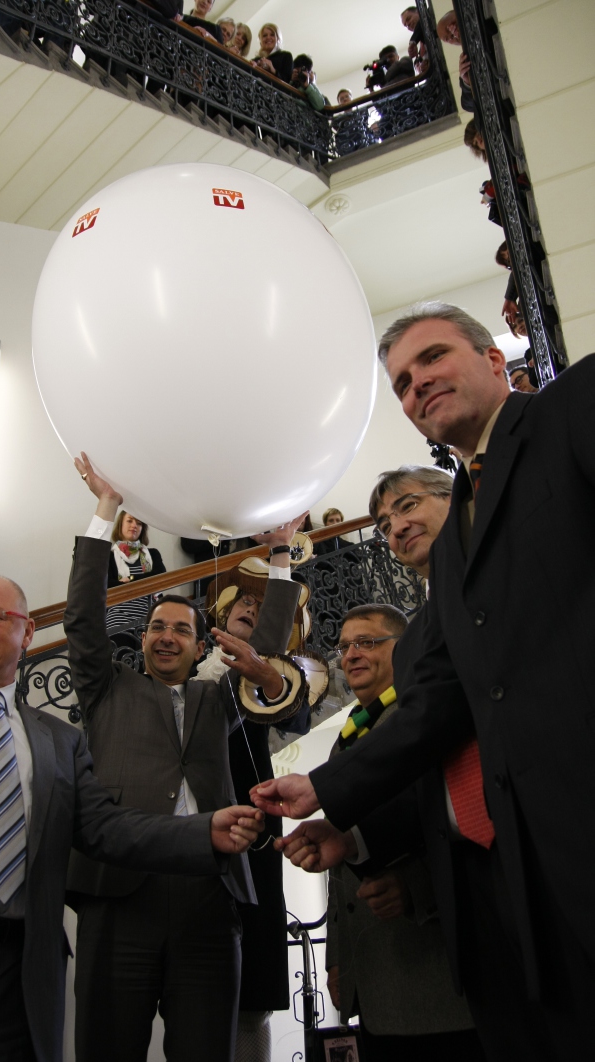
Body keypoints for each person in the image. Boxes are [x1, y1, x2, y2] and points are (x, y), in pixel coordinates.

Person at [251, 302, 595, 1059]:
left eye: (433, 359)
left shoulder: (572, 411)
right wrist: (326, 791)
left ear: (495, 360)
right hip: (527, 889)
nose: (418, 386)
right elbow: (436, 701)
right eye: (403, 384)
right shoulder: (453, 555)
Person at [0, 573, 264, 1062]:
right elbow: (85, 623)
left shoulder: (56, 739)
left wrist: (201, 831)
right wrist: (102, 516)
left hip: (20, 971)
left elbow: (103, 826)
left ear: (27, 634)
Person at [66, 452, 307, 1062]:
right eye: (156, 627)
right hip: (121, 894)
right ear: (142, 640)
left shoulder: (214, 698)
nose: (167, 636)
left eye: (181, 629)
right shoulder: (105, 688)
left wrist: (280, 554)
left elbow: (268, 656)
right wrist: (104, 511)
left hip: (208, 896)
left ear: (202, 646)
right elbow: (82, 620)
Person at [325, 603, 481, 1061]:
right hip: (372, 986)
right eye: (345, 646)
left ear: (405, 648)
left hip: (434, 979)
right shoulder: (348, 737)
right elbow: (341, 871)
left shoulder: (428, 722)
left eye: (367, 642)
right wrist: (340, 960)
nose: (351, 654)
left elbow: (462, 822)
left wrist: (414, 886)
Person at [199, 558, 313, 1062]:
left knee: (256, 989)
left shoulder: (260, 674)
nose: (251, 606)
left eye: (259, 606)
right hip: (193, 839)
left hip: (255, 838)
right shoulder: (183, 673)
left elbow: (298, 711)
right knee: (193, 989)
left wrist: (283, 555)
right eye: (242, 601)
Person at [105, 508, 166, 640]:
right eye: (130, 521)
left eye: (139, 523)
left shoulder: (153, 554)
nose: (134, 525)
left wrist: (130, 579)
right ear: (120, 524)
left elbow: (160, 578)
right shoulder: (109, 556)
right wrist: (144, 581)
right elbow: (107, 586)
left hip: (150, 619)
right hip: (118, 621)